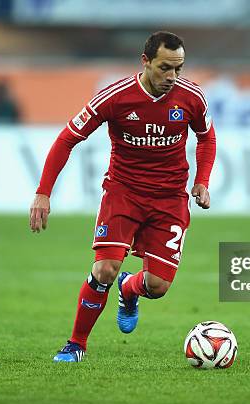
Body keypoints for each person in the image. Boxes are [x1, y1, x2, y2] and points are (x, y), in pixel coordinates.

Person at [29, 31, 216, 363]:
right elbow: (67, 139)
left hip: (170, 198)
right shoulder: (115, 97)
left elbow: (206, 138)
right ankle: (76, 344)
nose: (172, 77)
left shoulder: (192, 97)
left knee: (157, 286)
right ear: (145, 62)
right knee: (105, 269)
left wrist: (202, 181)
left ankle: (130, 290)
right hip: (123, 193)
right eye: (164, 68)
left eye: (179, 68)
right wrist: (43, 193)